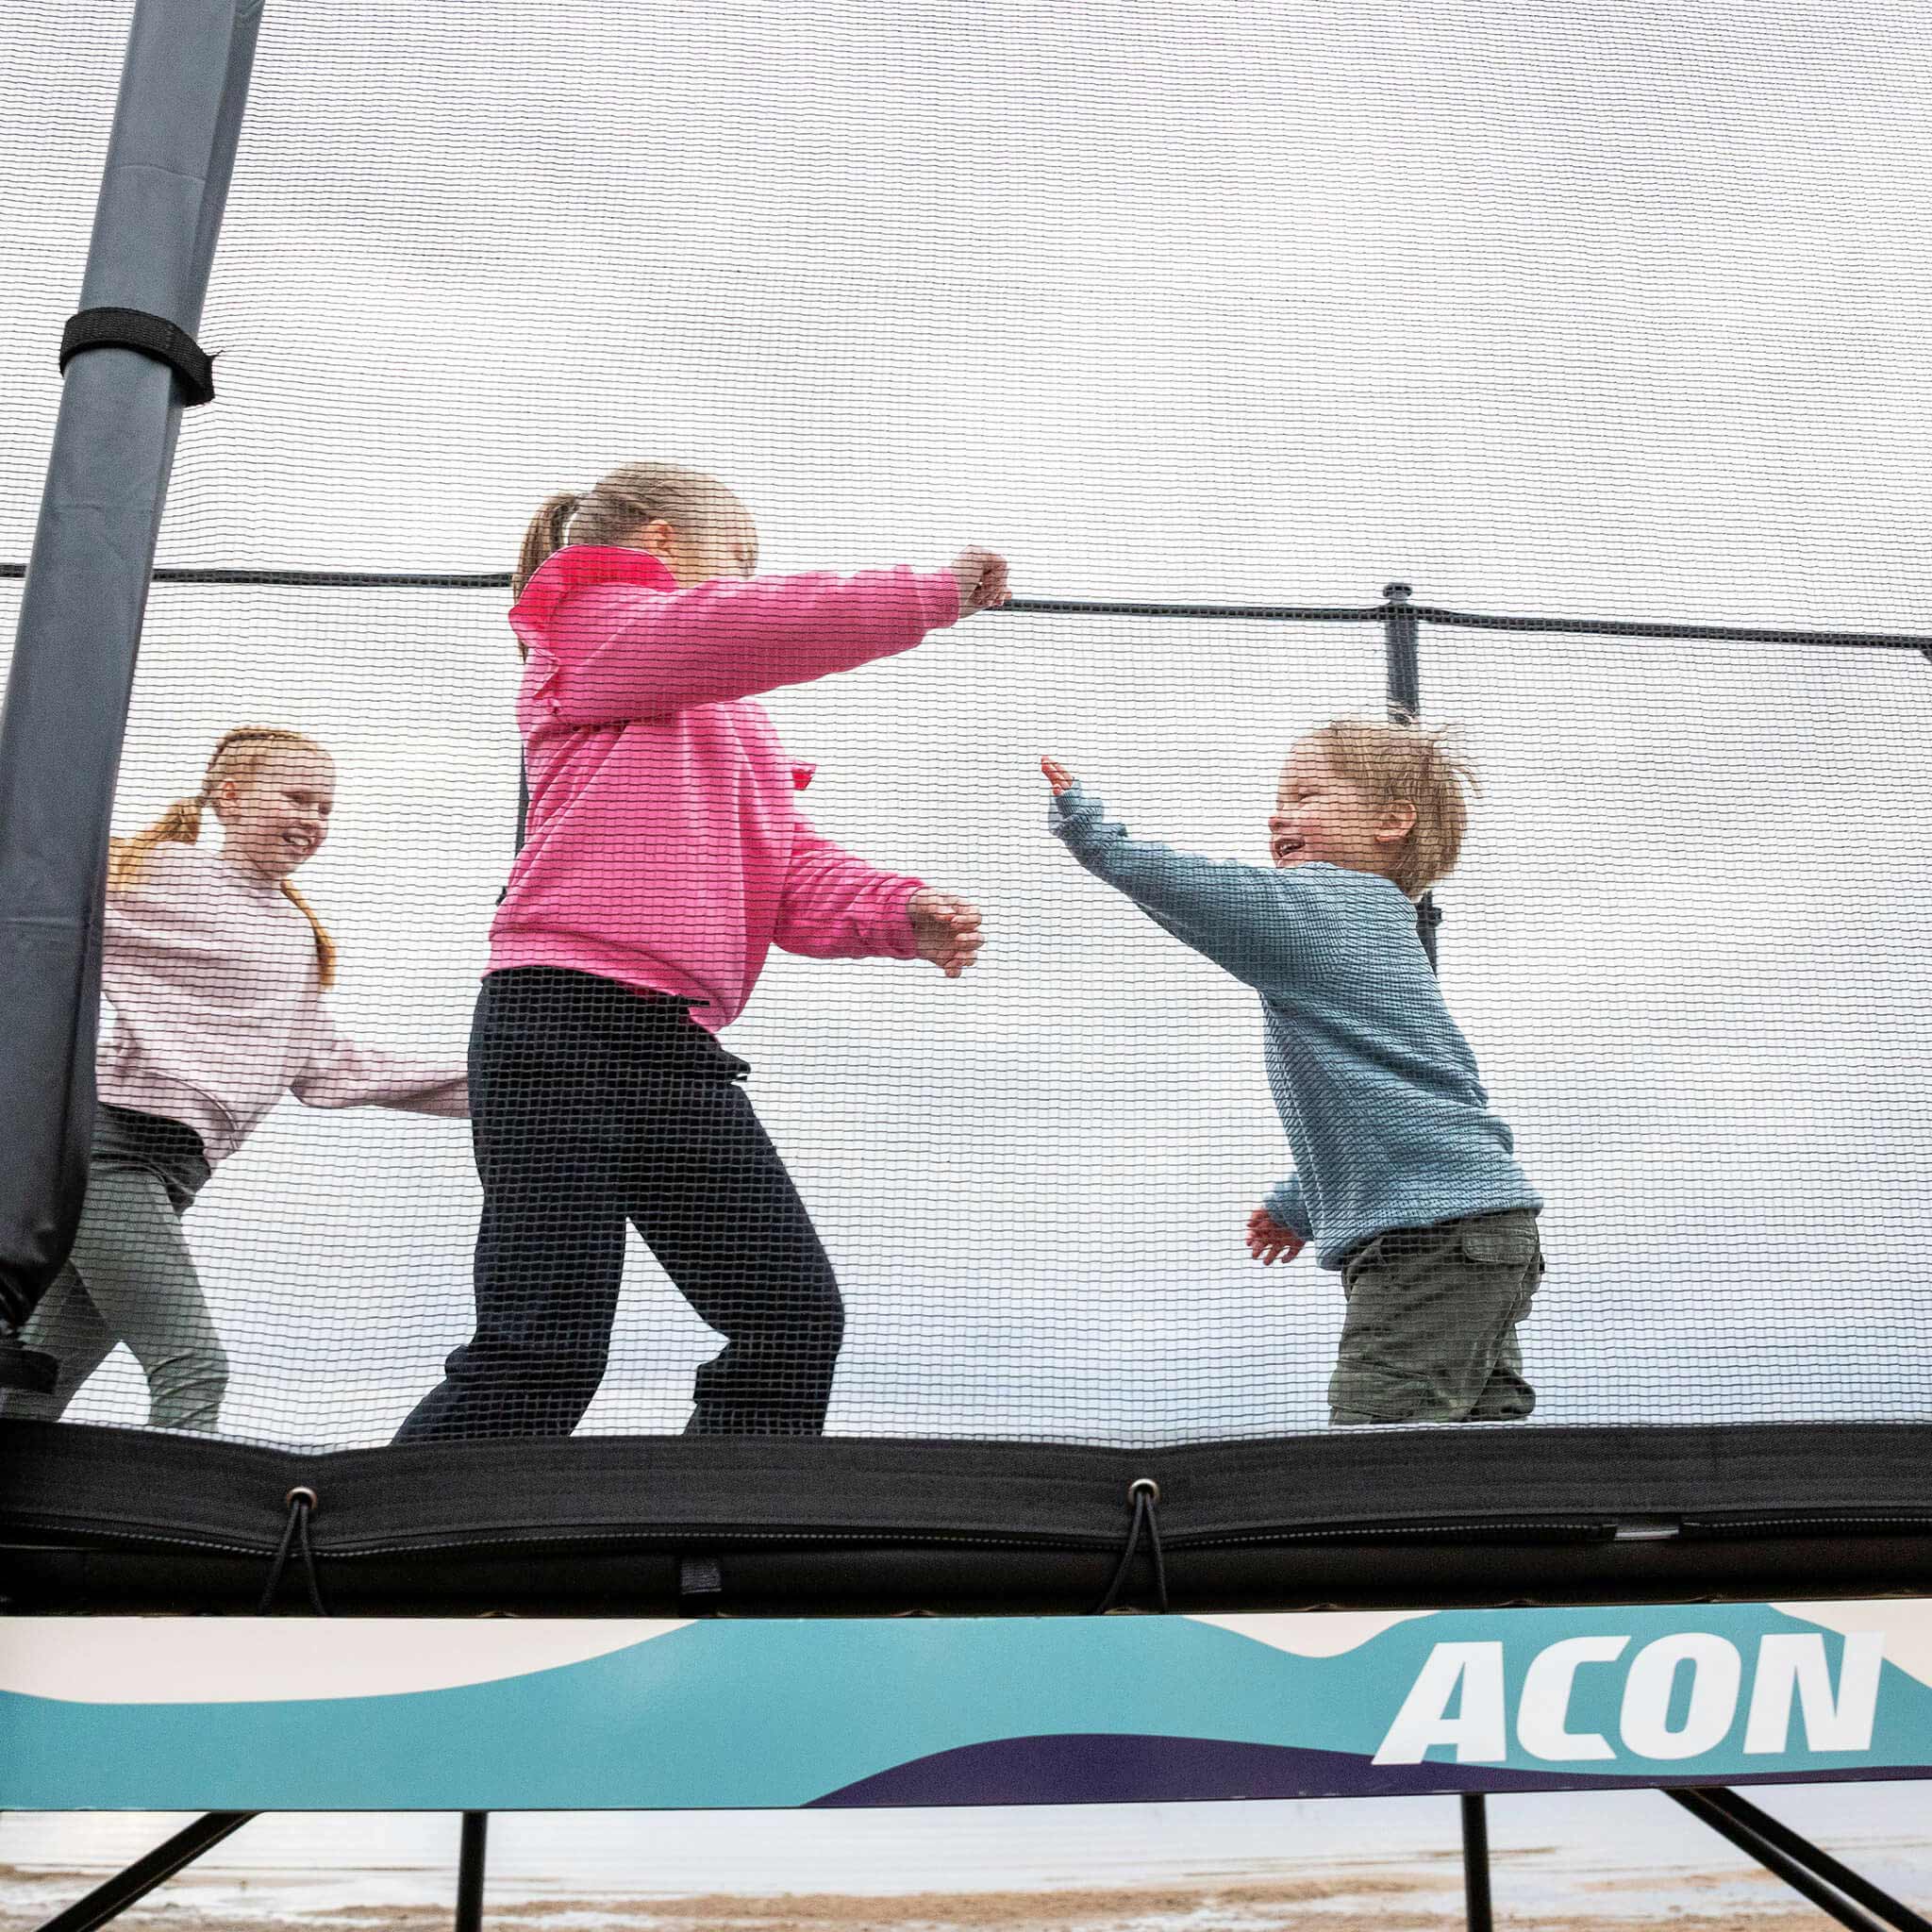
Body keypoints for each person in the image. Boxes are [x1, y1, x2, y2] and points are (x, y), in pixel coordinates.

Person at [394, 462, 1007, 1443]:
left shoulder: (722, 715)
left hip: (670, 1049)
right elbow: (739, 628)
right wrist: (923, 594)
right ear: (660, 543)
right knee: (543, 1345)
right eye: (737, 561)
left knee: (791, 1321)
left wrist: (899, 910)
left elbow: (782, 858)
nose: (746, 585)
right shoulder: (591, 629)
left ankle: (720, 1551)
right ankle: (392, 1571)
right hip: (557, 1027)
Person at [1041, 715, 1543, 1425]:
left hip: (1428, 1241)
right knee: (1474, 1445)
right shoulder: (1382, 922)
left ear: (1391, 821)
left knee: (1376, 1446)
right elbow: (1392, 1104)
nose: (1280, 813)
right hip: (1480, 1228)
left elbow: (1201, 891)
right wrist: (1301, 1202)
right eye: (1280, 798)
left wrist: (1097, 838)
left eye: (1307, 795)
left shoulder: (1325, 906)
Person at [5, 727, 469, 1434]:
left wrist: (508, 1085)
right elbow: (36, 895)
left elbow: (327, 1068)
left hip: (175, 1176)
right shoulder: (157, 873)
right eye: (297, 799)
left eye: (326, 809)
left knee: (38, 1382)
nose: (313, 821)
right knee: (194, 1365)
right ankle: (184, 1539)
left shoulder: (297, 936)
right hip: (109, 1154)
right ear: (230, 799)